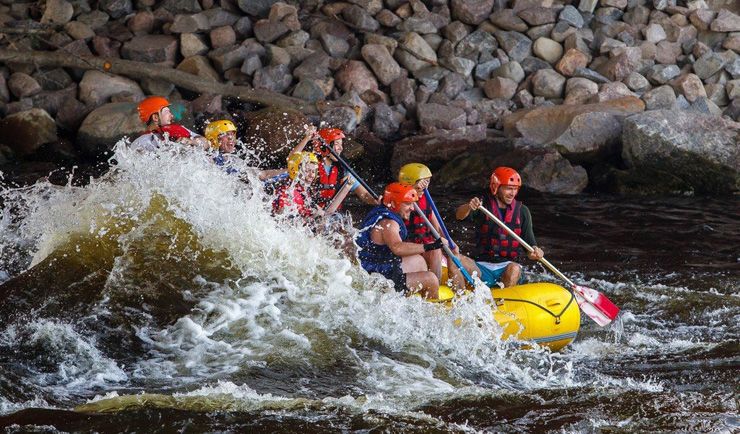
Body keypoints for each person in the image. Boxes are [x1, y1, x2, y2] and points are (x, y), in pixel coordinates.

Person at [455, 167, 544, 288]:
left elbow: (530, 248)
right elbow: (459, 216)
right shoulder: (482, 206)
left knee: (514, 269)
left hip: (507, 267)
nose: (512, 193)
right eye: (508, 189)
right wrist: (469, 207)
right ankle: (459, 298)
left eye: (515, 189)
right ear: (496, 187)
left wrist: (536, 251)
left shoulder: (523, 211)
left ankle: (506, 299)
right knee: (456, 259)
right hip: (481, 267)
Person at [399, 163, 480, 291]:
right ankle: (434, 287)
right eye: (421, 184)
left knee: (459, 258)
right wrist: (412, 189)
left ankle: (461, 293)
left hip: (426, 246)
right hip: (411, 249)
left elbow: (437, 227)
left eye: (427, 183)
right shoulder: (400, 200)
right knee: (435, 250)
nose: (424, 188)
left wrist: (451, 244)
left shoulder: (425, 198)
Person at [356, 182, 443, 300]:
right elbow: (397, 247)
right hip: (377, 277)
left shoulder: (383, 210)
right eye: (407, 204)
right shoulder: (389, 223)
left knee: (418, 260)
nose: (412, 208)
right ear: (392, 203)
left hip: (377, 266)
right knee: (431, 279)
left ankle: (415, 301)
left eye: (413, 204)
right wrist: (430, 246)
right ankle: (433, 313)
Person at [289, 126, 378, 209]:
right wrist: (307, 138)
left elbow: (365, 195)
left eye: (341, 144)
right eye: (337, 144)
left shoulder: (343, 170)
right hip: (310, 212)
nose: (340, 148)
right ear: (324, 146)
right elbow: (292, 160)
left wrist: (375, 200)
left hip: (332, 215)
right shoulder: (311, 164)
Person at [272, 152, 351, 219]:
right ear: (297, 171)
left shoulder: (305, 193)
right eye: (307, 171)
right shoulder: (288, 192)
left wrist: (346, 188)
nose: (311, 175)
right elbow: (282, 217)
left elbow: (325, 215)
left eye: (313, 171)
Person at [130, 96, 208, 151]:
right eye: (167, 112)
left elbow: (206, 143)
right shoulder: (142, 142)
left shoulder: (179, 129)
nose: (172, 115)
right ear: (155, 117)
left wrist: (191, 141)